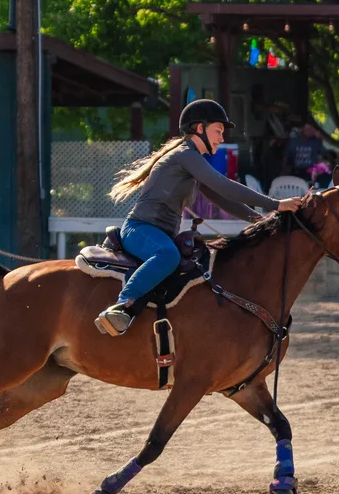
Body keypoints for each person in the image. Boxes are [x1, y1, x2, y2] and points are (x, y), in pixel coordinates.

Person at [95, 99, 301, 336]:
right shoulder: (185, 156)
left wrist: (262, 222)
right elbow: (226, 187)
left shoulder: (192, 161)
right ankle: (123, 305)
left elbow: (225, 200)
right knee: (168, 255)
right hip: (139, 230)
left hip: (158, 233)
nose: (221, 138)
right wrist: (276, 204)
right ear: (199, 129)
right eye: (218, 131)